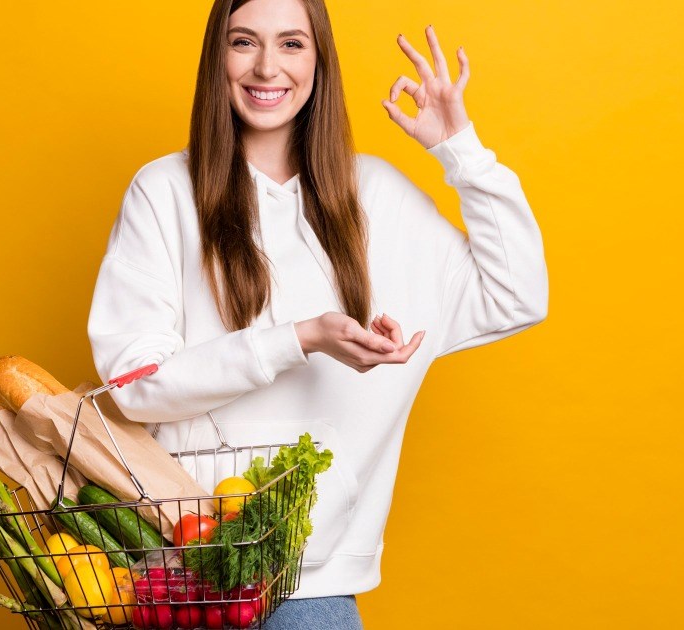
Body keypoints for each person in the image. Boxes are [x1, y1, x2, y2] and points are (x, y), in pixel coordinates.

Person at [87, 0, 549, 626]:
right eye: (244, 41)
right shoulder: (165, 191)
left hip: (312, 586)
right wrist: (298, 339)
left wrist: (460, 151)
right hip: (182, 577)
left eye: (292, 44)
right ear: (216, 59)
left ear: (320, 60)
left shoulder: (378, 197)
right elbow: (133, 388)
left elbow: (517, 294)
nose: (267, 66)